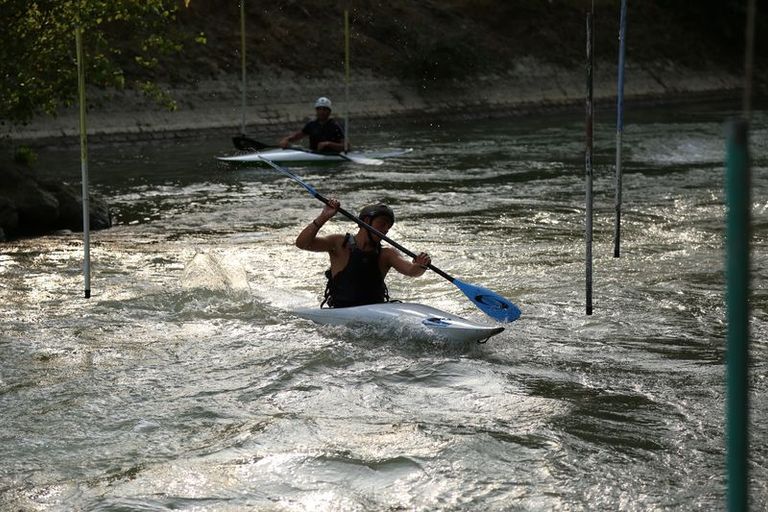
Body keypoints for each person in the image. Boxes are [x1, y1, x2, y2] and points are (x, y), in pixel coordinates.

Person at [295, 200, 431, 308]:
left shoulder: (387, 254)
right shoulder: (339, 243)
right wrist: (323, 217)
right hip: (341, 310)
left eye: (388, 227)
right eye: (382, 224)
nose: (385, 230)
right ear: (366, 222)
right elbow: (302, 243)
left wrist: (421, 265)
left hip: (375, 309)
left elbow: (412, 271)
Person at [279, 97, 346, 153]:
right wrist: (286, 140)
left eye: (324, 109)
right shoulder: (311, 125)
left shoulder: (335, 126)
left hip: (331, 156)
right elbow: (296, 136)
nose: (321, 112)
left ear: (329, 111)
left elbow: (346, 146)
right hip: (314, 154)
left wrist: (329, 144)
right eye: (319, 109)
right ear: (316, 111)